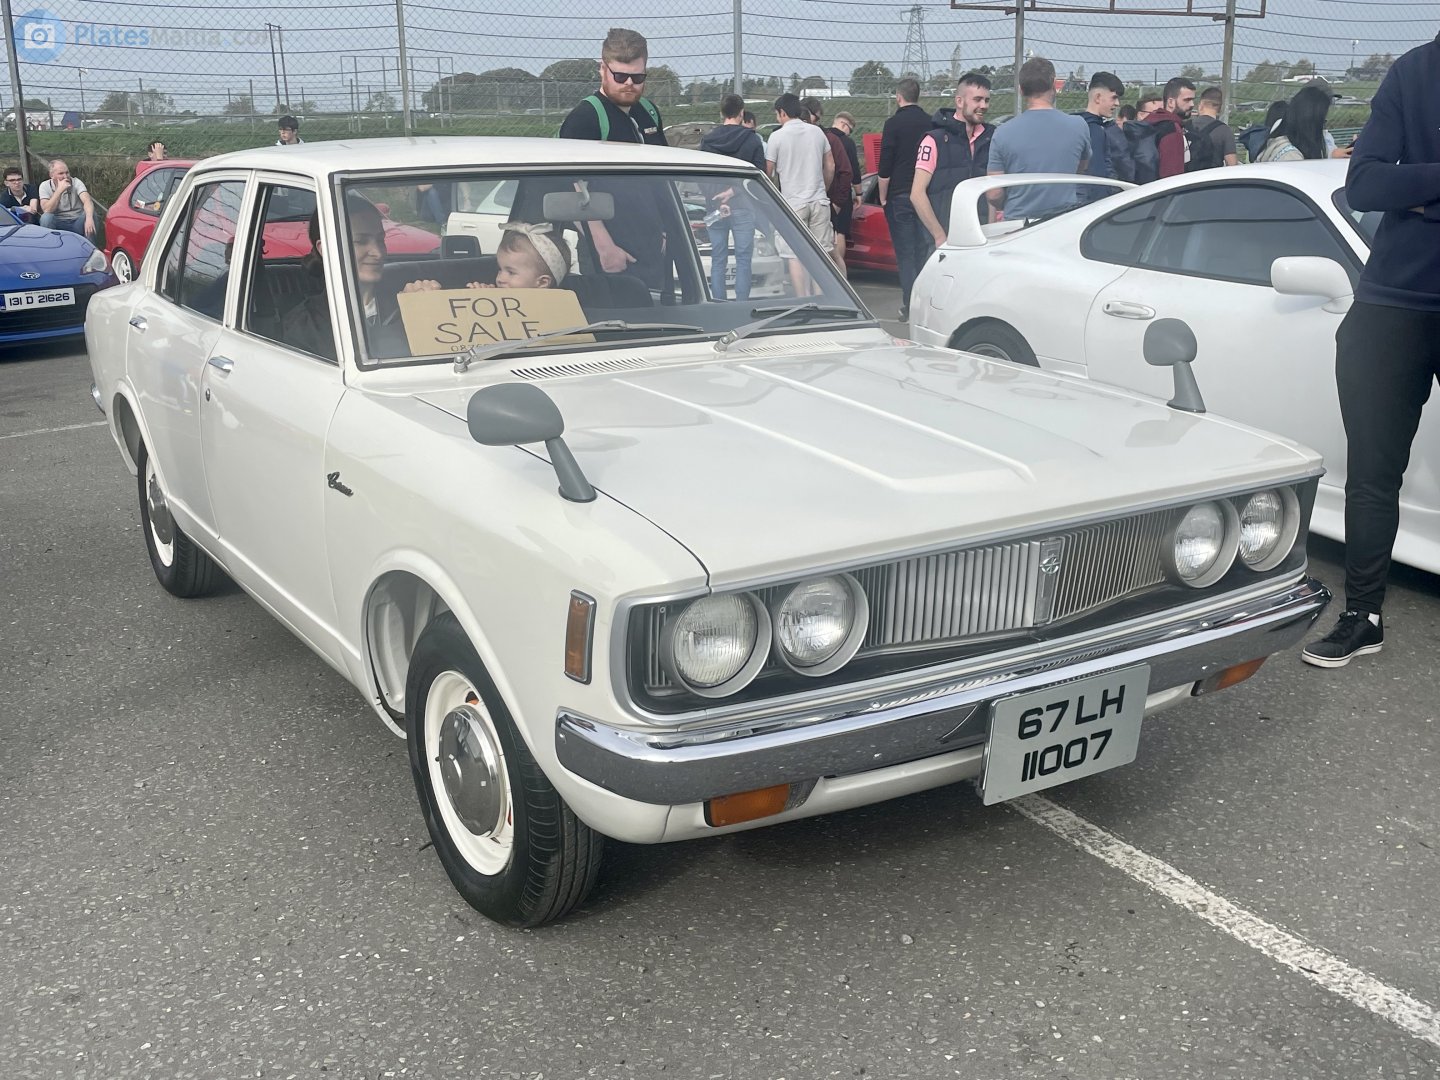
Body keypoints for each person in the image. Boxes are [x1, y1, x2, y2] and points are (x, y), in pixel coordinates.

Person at [1301, 30, 1440, 668]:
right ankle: (1363, 615)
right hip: (1392, 302)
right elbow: (1366, 185)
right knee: (1373, 474)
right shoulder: (1414, 72)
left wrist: (1418, 192)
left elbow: (1395, 184)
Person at [558, 27, 670, 290]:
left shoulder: (649, 111)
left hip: (653, 246)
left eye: (637, 77)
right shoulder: (585, 118)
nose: (629, 83)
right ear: (602, 69)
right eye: (620, 76)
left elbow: (663, 176)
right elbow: (573, 187)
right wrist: (603, 247)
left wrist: (667, 229)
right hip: (611, 252)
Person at [283, 197, 405, 361]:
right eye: (361, 241)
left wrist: (424, 305)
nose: (378, 252)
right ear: (326, 249)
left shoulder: (404, 304)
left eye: (380, 239)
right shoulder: (305, 326)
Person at [986, 57, 1091, 223]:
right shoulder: (1079, 126)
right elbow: (1081, 167)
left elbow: (994, 194)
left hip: (1018, 224)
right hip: (1064, 221)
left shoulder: (1002, 133)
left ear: (1021, 90)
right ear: (1054, 84)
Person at [912, 71, 994, 250]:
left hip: (982, 238)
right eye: (977, 99)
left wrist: (992, 230)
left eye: (986, 100)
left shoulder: (991, 138)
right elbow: (917, 194)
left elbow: (992, 190)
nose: (983, 105)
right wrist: (939, 236)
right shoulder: (934, 140)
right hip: (944, 241)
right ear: (959, 101)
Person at [766, 92, 834, 294]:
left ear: (782, 112)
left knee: (794, 255)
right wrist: (823, 188)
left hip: (793, 203)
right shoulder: (817, 132)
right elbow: (830, 165)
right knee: (821, 255)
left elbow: (768, 171)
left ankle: (804, 299)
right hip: (819, 200)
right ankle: (822, 300)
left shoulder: (776, 137)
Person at [699, 93, 765, 300]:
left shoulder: (708, 140)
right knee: (743, 258)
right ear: (741, 113)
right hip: (743, 206)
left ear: (722, 113)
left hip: (714, 207)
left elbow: (699, 175)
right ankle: (742, 304)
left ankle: (719, 302)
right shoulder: (752, 139)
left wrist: (716, 198)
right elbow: (760, 175)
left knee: (718, 259)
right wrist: (733, 192)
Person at [878, 77, 933, 319]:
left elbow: (885, 165)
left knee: (905, 253)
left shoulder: (893, 124)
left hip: (899, 194)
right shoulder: (930, 122)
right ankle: (927, 304)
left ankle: (910, 306)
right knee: (924, 250)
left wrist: (882, 197)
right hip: (925, 195)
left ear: (898, 97)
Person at [802, 96, 853, 274]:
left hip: (822, 202)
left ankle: (837, 283)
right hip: (815, 201)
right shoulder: (803, 137)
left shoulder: (829, 139)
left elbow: (845, 171)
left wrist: (837, 202)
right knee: (824, 250)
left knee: (828, 250)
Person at [1256, 84, 1332, 162]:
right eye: (1322, 122)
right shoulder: (1291, 157)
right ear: (1311, 124)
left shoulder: (1282, 143)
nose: (1323, 128)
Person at [1078, 71, 1125, 190]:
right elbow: (1096, 176)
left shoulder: (1082, 126)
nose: (1117, 103)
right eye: (1114, 98)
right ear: (1098, 97)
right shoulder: (1094, 131)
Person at [1146, 77, 1195, 178]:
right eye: (1187, 100)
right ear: (1170, 102)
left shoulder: (1150, 121)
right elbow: (1172, 176)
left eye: (1192, 100)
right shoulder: (1172, 130)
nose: (1192, 104)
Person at [37, 159, 96, 237]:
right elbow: (47, 210)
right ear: (51, 175)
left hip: (77, 221)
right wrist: (59, 190)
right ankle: (51, 244)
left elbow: (87, 201)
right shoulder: (45, 186)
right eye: (61, 173)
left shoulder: (76, 182)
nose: (66, 176)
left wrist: (89, 218)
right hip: (58, 222)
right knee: (46, 218)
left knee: (91, 214)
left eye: (67, 172)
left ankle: (89, 245)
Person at [1190, 87, 1238, 168]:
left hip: (1187, 175)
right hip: (1212, 174)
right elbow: (1232, 164)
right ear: (1220, 109)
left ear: (1200, 105)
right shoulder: (1224, 130)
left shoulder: (1186, 126)